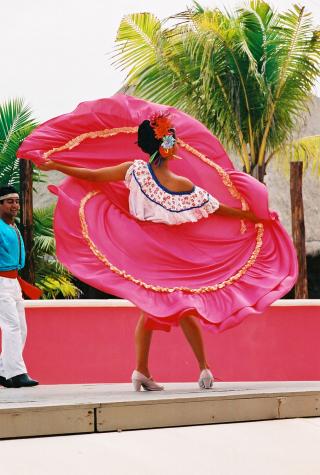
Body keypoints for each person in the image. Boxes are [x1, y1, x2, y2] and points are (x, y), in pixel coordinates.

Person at [18, 95, 298, 391]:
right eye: (174, 139)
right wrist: (252, 216)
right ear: (167, 145)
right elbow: (218, 209)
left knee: (169, 306)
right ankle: (191, 369)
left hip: (150, 249)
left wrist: (58, 165)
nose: (178, 143)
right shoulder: (166, 179)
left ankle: (152, 370)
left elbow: (93, 175)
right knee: (174, 305)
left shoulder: (144, 172)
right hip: (156, 251)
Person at [0, 186, 39, 388]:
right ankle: (17, 373)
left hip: (13, 282)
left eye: (16, 201)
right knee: (12, 327)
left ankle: (3, 370)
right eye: (9, 201)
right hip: (1, 282)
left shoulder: (12, 226)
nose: (15, 205)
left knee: (21, 328)